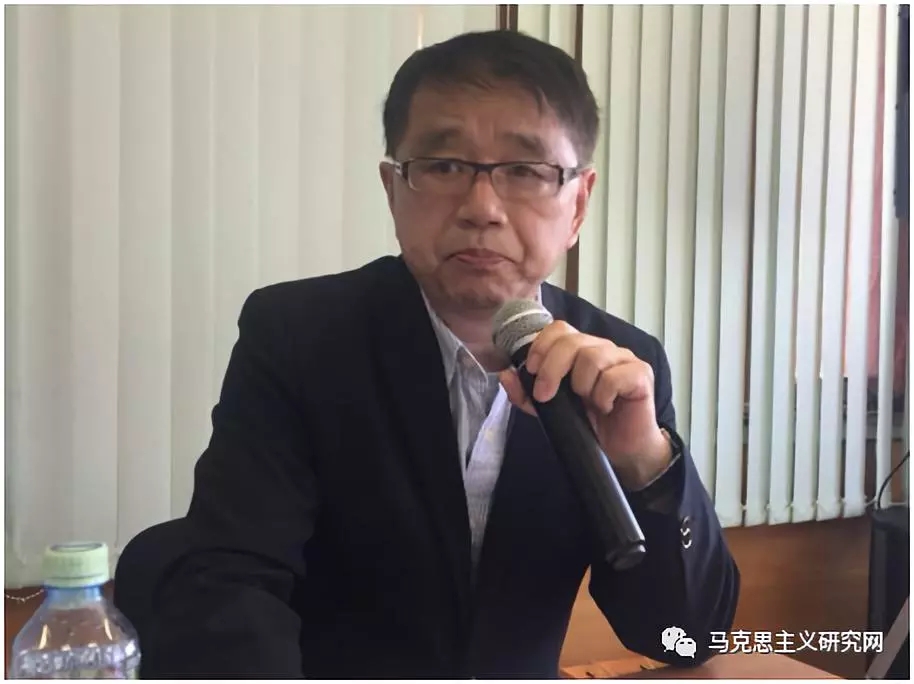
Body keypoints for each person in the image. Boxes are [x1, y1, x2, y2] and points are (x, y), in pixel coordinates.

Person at [113, 29, 739, 678]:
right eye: (443, 167)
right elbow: (234, 587)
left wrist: (644, 462)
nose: (482, 208)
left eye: (525, 171)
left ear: (578, 204)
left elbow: (684, 638)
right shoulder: (298, 336)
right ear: (393, 189)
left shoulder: (620, 363)